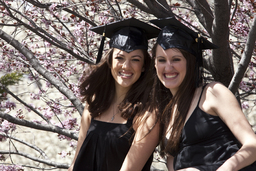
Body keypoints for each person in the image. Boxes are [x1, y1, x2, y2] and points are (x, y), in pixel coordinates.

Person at [149, 17, 256, 171]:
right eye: (161, 60)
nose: (168, 67)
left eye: (176, 59)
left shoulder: (213, 93)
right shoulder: (166, 111)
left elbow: (252, 144)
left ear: (190, 62)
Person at [68, 17, 161, 171]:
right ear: (110, 61)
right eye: (119, 58)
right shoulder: (94, 103)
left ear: (144, 66)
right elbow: (76, 161)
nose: (126, 66)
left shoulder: (147, 113)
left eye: (135, 59)